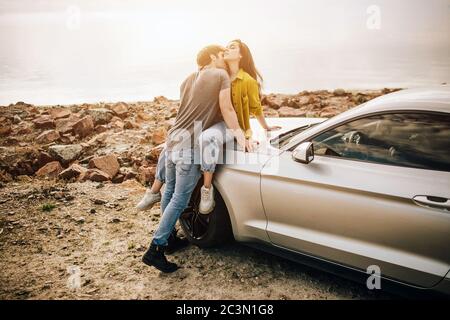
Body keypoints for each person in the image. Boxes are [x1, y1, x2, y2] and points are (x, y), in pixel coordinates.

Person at [136, 40, 280, 214]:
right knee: (171, 143)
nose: (227, 49)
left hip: (229, 127)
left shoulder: (247, 80)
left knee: (201, 140)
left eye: (232, 47)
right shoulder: (220, 72)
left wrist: (260, 128)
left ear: (241, 55)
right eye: (226, 48)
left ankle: (206, 188)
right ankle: (154, 191)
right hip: (209, 124)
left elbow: (255, 108)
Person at [141, 45, 250, 273]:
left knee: (169, 192)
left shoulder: (188, 79)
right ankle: (156, 248)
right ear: (212, 56)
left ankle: (169, 239)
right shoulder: (220, 75)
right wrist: (240, 134)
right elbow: (227, 109)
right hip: (188, 146)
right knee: (180, 198)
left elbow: (187, 111)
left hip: (172, 141)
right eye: (221, 55)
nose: (222, 59)